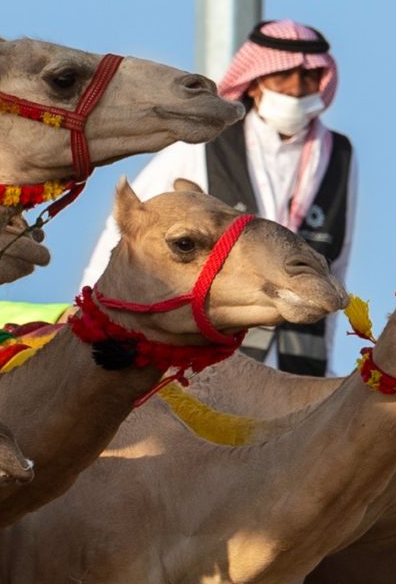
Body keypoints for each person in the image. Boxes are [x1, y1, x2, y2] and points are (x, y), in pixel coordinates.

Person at [80, 19, 357, 377]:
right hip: (214, 361)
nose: (296, 88)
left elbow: (340, 259)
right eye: (283, 76)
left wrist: (329, 362)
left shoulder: (341, 155)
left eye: (308, 78)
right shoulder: (208, 143)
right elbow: (129, 229)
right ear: (256, 82)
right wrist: (88, 324)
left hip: (301, 364)